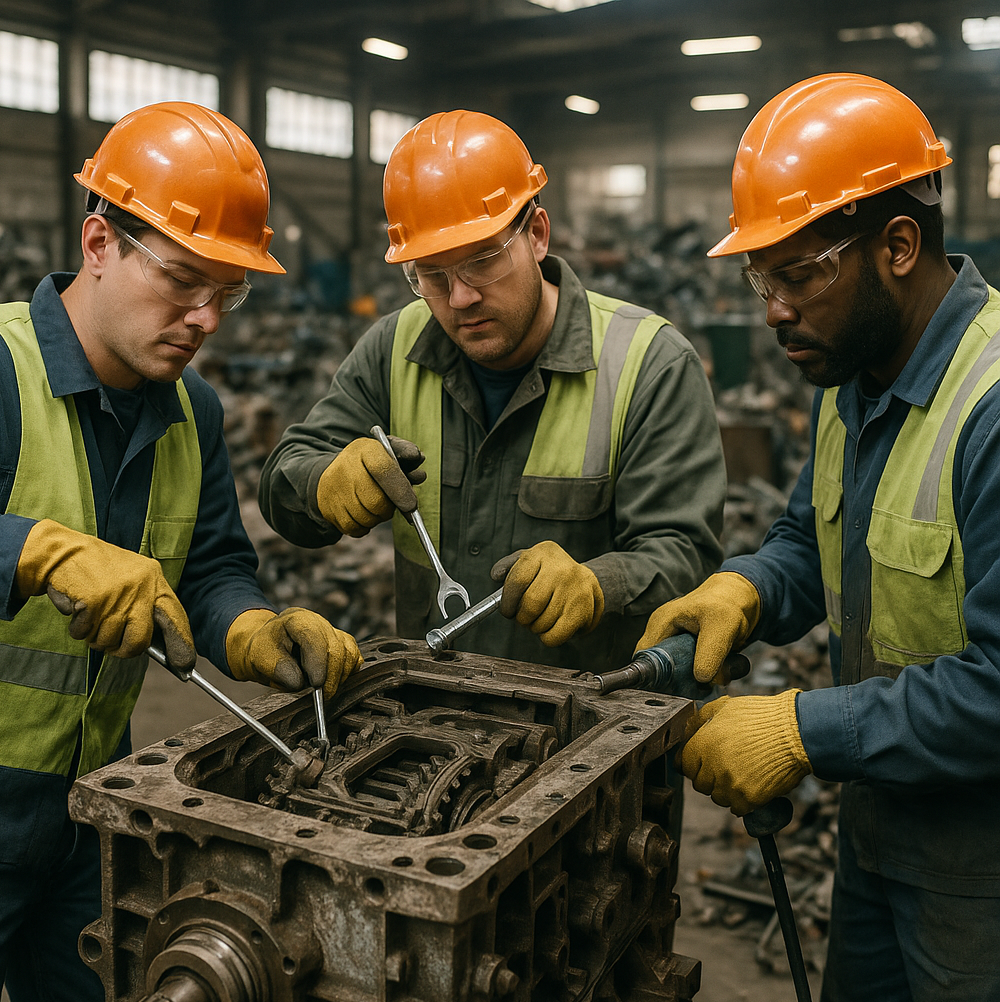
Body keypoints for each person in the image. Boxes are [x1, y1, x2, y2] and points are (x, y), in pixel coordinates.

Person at [0, 102, 361, 1002]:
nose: (205, 319)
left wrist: (255, 633)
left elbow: (212, 569)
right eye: (185, 279)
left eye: (227, 294)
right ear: (99, 240)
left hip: (85, 824)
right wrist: (35, 549)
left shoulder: (194, 410)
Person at [638, 73, 1000, 1002]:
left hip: (982, 874)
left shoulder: (990, 410)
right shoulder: (854, 377)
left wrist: (803, 730)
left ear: (897, 246)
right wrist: (746, 592)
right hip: (880, 831)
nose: (772, 311)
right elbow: (812, 536)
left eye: (798, 276)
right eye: (762, 280)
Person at [258, 109, 725, 674]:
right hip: (441, 719)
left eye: (482, 263)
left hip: (596, 729)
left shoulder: (648, 362)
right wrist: (322, 484)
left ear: (536, 235)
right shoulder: (394, 347)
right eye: (431, 275)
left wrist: (597, 584)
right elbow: (285, 478)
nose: (459, 299)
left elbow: (687, 555)